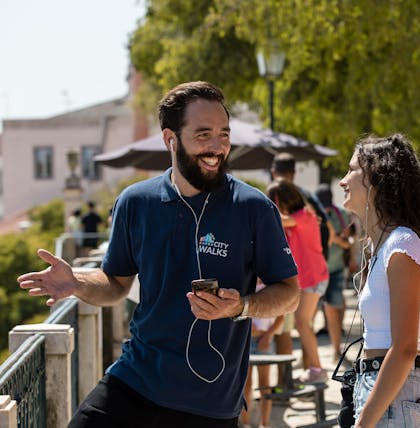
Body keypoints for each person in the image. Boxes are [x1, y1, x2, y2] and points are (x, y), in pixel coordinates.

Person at [18, 81, 300, 428]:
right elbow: (116, 283)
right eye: (203, 135)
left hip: (209, 403)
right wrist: (76, 281)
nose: (217, 147)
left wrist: (241, 306)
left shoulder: (254, 207)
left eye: (224, 134)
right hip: (135, 381)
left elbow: (289, 294)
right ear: (171, 138)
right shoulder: (135, 202)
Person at [338, 134, 420, 427]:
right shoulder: (389, 244)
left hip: (394, 392)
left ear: (376, 179)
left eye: (352, 170)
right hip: (385, 388)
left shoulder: (402, 244)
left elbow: (406, 347)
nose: (343, 181)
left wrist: (364, 422)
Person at [266, 179, 330, 383]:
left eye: (273, 201)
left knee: (302, 323)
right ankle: (315, 368)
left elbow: (278, 219)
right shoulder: (301, 216)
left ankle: (317, 369)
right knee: (302, 324)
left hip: (313, 277)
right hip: (309, 278)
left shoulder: (303, 215)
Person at [315, 183, 353, 361]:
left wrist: (334, 238)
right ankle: (310, 357)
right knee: (307, 316)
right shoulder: (312, 215)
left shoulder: (342, 215)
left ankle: (336, 351)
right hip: (315, 270)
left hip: (336, 268)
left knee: (332, 309)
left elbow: (349, 242)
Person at [241, 283, 284, 428]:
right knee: (246, 385)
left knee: (265, 384)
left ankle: (265, 424)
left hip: (264, 340)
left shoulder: (271, 287)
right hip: (246, 340)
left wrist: (268, 335)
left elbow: (280, 317)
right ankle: (246, 423)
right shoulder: (246, 284)